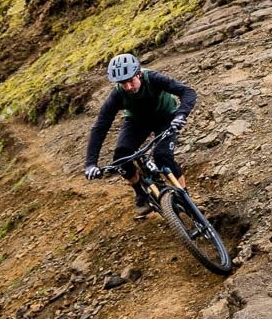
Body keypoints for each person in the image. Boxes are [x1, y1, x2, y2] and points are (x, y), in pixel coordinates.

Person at [82, 53, 197, 215]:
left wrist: (181, 115)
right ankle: (140, 193)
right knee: (121, 158)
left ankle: (186, 199)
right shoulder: (117, 95)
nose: (128, 87)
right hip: (137, 122)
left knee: (162, 156)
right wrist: (91, 164)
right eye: (123, 83)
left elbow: (188, 92)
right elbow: (100, 126)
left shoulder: (153, 78)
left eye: (131, 81)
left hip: (165, 117)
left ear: (139, 74)